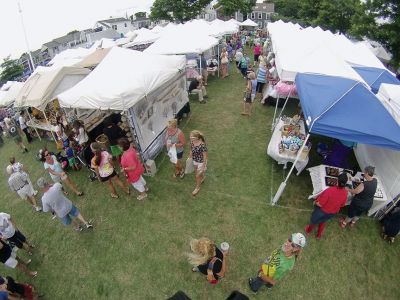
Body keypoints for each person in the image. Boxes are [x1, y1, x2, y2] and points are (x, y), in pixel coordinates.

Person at [305, 173, 348, 239]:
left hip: (322, 211)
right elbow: (342, 204)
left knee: (314, 221)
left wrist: (315, 202)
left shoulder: (330, 190)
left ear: (337, 181)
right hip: (332, 212)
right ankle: (318, 236)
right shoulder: (345, 192)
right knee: (323, 221)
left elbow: (320, 204)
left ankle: (308, 230)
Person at [189, 130, 208, 196]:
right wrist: (189, 157)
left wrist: (203, 166)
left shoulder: (202, 145)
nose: (191, 138)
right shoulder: (192, 142)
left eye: (192, 137)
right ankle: (202, 177)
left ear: (197, 137)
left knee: (197, 175)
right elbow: (191, 150)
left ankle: (197, 187)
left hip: (201, 162)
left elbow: (205, 156)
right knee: (197, 173)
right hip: (195, 160)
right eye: (190, 137)